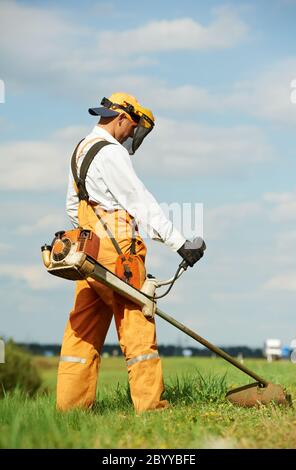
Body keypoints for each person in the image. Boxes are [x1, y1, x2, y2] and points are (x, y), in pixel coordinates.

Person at [56, 92, 205, 413]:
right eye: (132, 127)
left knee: (82, 330)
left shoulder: (79, 149)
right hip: (117, 249)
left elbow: (72, 206)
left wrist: (92, 234)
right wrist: (179, 243)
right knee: (137, 321)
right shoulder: (111, 153)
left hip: (86, 250)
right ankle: (150, 408)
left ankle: (71, 411)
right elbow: (140, 202)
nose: (131, 135)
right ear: (121, 118)